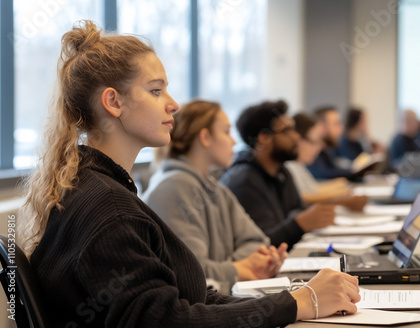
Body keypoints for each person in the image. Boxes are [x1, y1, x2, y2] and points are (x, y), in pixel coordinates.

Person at [18, 21, 360, 327]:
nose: (173, 104)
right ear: (114, 102)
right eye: (155, 90)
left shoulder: (99, 187)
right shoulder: (110, 206)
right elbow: (165, 319)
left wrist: (292, 303)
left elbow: (187, 301)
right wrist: (296, 303)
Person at [142, 100, 287, 294]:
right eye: (226, 132)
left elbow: (258, 241)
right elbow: (192, 273)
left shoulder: (215, 188)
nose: (234, 142)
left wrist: (249, 265)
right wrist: (242, 268)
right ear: (205, 137)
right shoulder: (172, 188)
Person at [220, 100, 337, 249]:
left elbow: (297, 210)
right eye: (287, 131)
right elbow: (260, 244)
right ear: (264, 138)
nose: (296, 137)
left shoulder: (282, 171)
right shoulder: (244, 181)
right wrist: (300, 224)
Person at [286, 113, 368, 211]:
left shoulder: (299, 166)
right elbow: (304, 198)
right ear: (298, 141)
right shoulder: (289, 167)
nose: (319, 147)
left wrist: (341, 186)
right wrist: (342, 198)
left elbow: (314, 189)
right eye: (314, 142)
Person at [307, 106, 358, 181]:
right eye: (336, 124)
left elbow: (332, 169)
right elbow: (322, 174)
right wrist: (353, 171)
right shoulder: (312, 153)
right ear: (321, 127)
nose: (341, 129)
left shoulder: (327, 151)